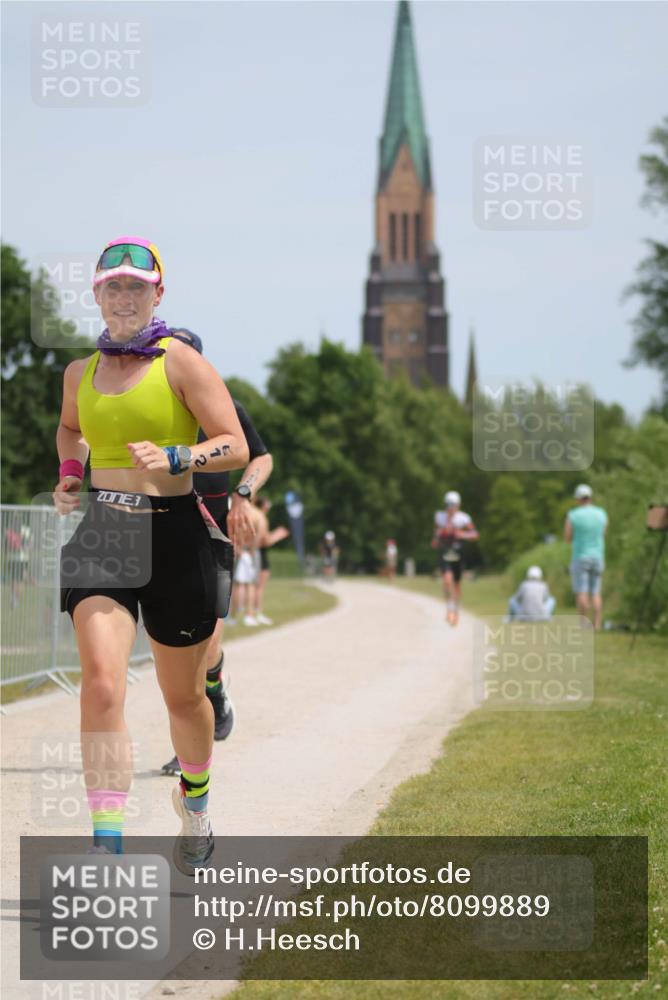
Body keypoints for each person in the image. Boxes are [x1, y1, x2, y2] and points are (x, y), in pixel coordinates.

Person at [54, 237, 249, 874]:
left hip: (176, 538)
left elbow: (235, 444)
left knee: (183, 699)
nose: (125, 296)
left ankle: (196, 808)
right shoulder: (79, 374)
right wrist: (70, 470)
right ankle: (107, 844)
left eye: (138, 286)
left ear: (157, 294)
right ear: (98, 296)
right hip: (104, 532)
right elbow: (70, 428)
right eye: (114, 286)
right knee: (102, 685)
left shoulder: (182, 362)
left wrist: (180, 457)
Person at [160, 328, 273, 777]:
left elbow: (260, 457)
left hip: (212, 533)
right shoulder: (156, 411)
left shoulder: (224, 407)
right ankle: (206, 709)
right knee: (176, 650)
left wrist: (243, 494)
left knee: (201, 642)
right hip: (164, 530)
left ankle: (213, 695)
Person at [564, 484, 608, 630]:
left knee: (581, 591)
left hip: (580, 556)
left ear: (578, 499)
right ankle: (597, 624)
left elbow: (567, 537)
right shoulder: (601, 513)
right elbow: (604, 534)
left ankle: (583, 624)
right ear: (590, 497)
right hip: (598, 556)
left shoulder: (573, 515)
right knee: (596, 591)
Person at [432, 491, 479, 626]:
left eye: (453, 505)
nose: (450, 508)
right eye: (448, 505)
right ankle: (449, 609)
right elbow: (436, 534)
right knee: (447, 581)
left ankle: (455, 611)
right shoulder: (439, 517)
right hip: (445, 552)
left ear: (458, 505)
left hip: (459, 552)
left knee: (457, 585)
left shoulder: (464, 518)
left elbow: (475, 534)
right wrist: (437, 537)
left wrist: (462, 534)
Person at [253, 496, 290, 625]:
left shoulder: (253, 516)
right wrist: (278, 535)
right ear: (264, 506)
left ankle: (253, 613)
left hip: (256, 553)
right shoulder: (261, 518)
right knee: (259, 587)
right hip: (260, 554)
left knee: (253, 586)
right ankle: (256, 613)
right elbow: (264, 541)